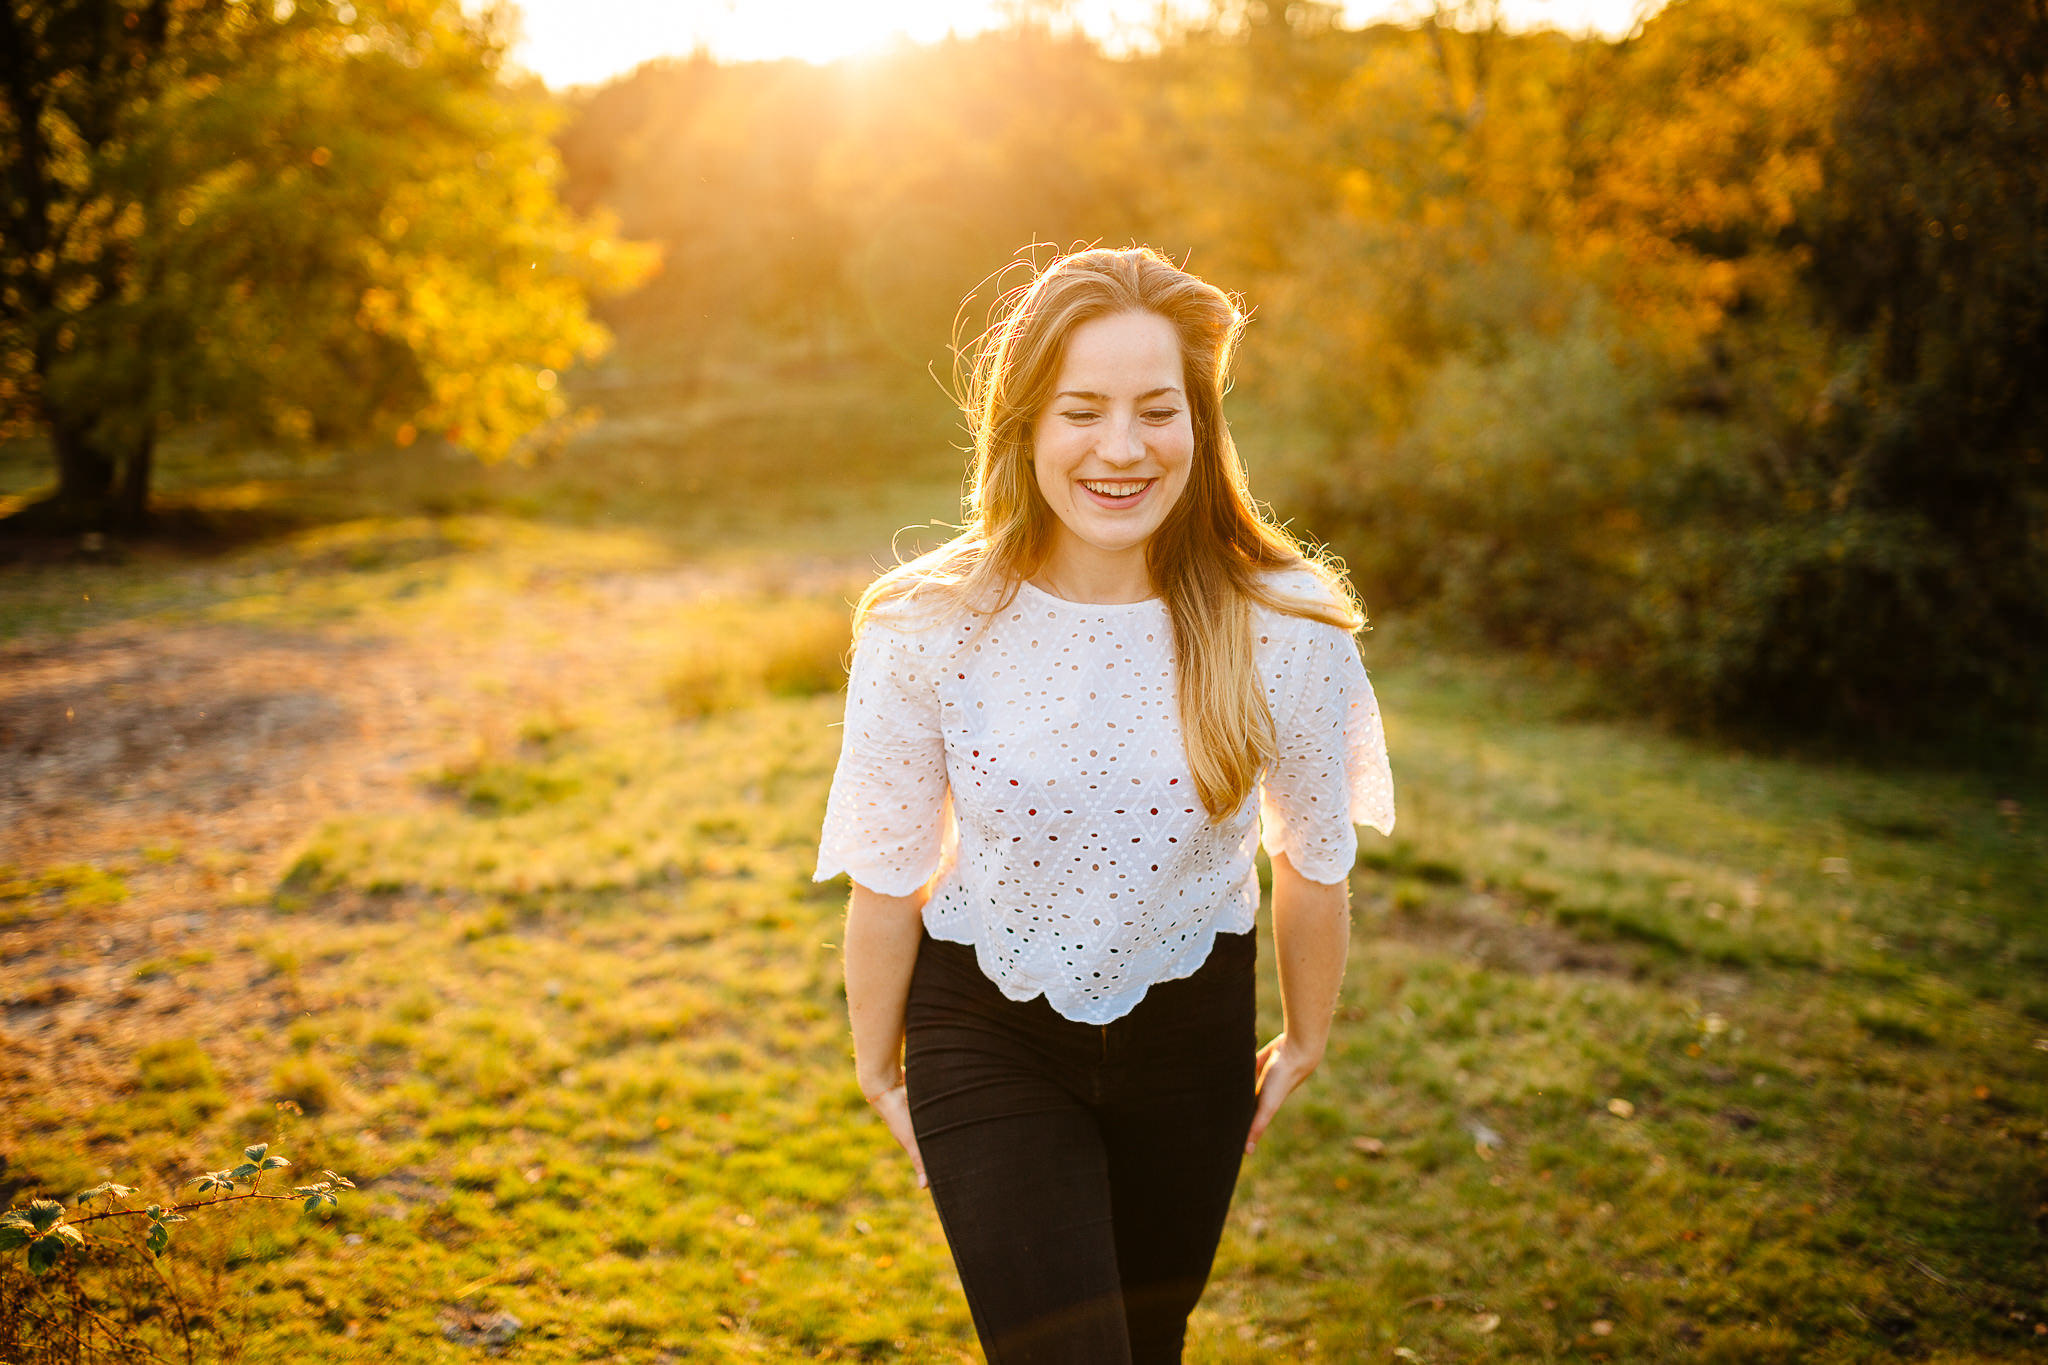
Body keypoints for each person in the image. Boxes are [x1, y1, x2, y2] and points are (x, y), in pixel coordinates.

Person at [814, 245, 1395, 1364]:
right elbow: (888, 872)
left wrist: (1306, 1039)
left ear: (1199, 422)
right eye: (1081, 410)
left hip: (1193, 1037)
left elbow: (1311, 859)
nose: (1121, 449)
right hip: (984, 1029)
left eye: (1155, 410)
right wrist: (874, 1064)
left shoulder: (1286, 625)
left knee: (1147, 1341)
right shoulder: (925, 628)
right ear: (1024, 424)